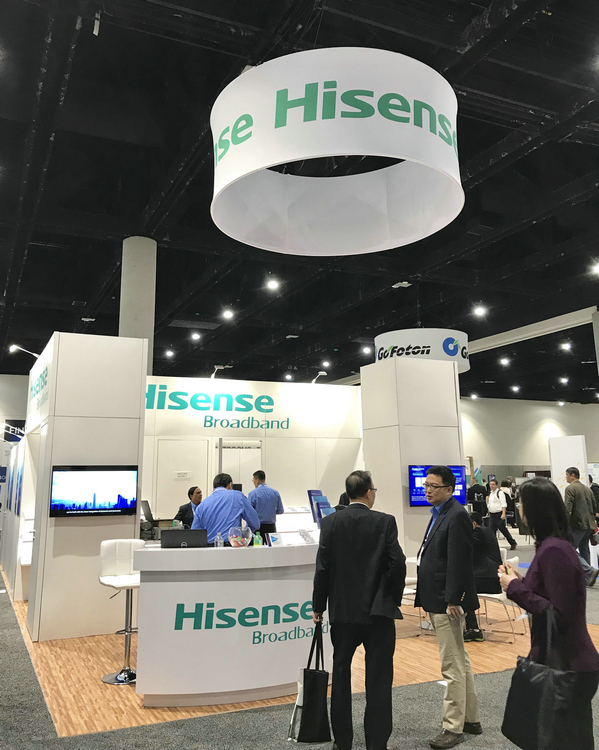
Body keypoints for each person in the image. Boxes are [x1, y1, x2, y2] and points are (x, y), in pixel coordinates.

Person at [499, 477, 599, 749]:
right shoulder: (551, 546)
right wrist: (520, 581)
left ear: (535, 509)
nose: (519, 508)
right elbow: (550, 594)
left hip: (568, 664)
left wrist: (515, 587)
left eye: (522, 503)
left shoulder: (554, 549)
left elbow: (559, 613)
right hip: (560, 659)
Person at [312, 470, 406, 750]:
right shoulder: (385, 521)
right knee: (379, 679)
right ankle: (376, 743)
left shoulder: (330, 522)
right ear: (367, 492)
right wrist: (392, 597)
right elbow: (398, 563)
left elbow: (323, 567)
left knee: (340, 675)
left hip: (342, 611)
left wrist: (318, 606)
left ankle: (343, 742)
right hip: (378, 612)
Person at [415, 465, 481, 749]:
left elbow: (460, 561)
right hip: (438, 597)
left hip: (447, 601)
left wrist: (454, 598)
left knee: (451, 664)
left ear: (449, 489)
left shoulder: (457, 515)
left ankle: (453, 727)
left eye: (434, 486)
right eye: (426, 485)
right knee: (459, 659)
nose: (428, 490)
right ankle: (471, 718)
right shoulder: (439, 513)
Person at [463, 511, 502, 643]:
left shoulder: (479, 532)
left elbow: (464, 543)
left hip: (489, 579)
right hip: (491, 576)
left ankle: (473, 628)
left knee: (463, 588)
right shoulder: (487, 531)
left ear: (473, 523)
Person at [191, 473, 259, 544]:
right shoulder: (238, 497)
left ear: (213, 487)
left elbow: (194, 533)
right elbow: (255, 523)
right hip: (232, 546)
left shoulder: (201, 506)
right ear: (230, 485)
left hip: (209, 547)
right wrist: (245, 532)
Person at [564, 467, 599, 586]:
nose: (566, 477)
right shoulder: (587, 489)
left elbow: (568, 509)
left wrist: (564, 524)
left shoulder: (570, 488)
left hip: (577, 524)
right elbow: (594, 506)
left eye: (567, 475)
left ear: (572, 475)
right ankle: (588, 577)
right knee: (584, 549)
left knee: (569, 548)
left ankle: (589, 571)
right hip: (589, 524)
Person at [248, 470, 284, 540]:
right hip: (271, 527)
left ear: (257, 480)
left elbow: (249, 512)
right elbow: (280, 510)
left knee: (258, 546)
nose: (253, 483)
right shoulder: (275, 493)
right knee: (271, 546)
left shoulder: (252, 494)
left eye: (253, 480)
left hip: (258, 528)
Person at [486, 479, 517, 550]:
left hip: (498, 514)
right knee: (492, 531)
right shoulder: (491, 493)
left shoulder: (500, 493)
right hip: (492, 515)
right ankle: (493, 546)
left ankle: (512, 542)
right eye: (491, 484)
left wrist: (503, 513)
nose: (492, 486)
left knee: (503, 530)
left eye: (493, 484)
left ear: (496, 485)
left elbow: (503, 504)